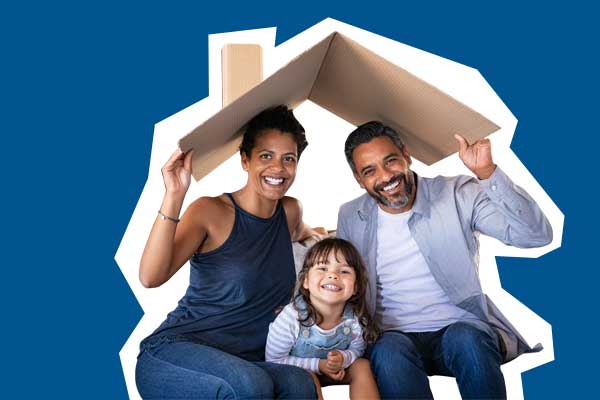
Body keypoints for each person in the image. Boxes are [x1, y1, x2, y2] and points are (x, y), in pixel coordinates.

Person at [336, 121, 553, 399]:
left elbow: (535, 236)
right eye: (370, 171)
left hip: (460, 328)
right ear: (358, 178)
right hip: (393, 338)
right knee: (387, 351)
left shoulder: (458, 193)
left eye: (390, 161)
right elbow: (343, 277)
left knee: (467, 339)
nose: (385, 176)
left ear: (406, 154)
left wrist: (487, 173)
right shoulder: (350, 215)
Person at [135, 105, 326, 399]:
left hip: (245, 359)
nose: (278, 168)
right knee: (250, 386)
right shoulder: (210, 212)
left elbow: (313, 235)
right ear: (245, 160)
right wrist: (174, 194)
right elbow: (150, 277)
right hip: (178, 351)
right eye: (266, 156)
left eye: (289, 159)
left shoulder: (289, 212)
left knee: (301, 384)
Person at [266, 238, 380, 400]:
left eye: (344, 271)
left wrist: (343, 358)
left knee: (362, 366)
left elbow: (357, 349)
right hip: (297, 374)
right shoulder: (292, 317)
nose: (333, 275)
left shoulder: (354, 318)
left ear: (355, 287)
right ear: (305, 281)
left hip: (336, 370)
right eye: (323, 268)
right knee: (308, 377)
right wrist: (319, 366)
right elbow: (274, 360)